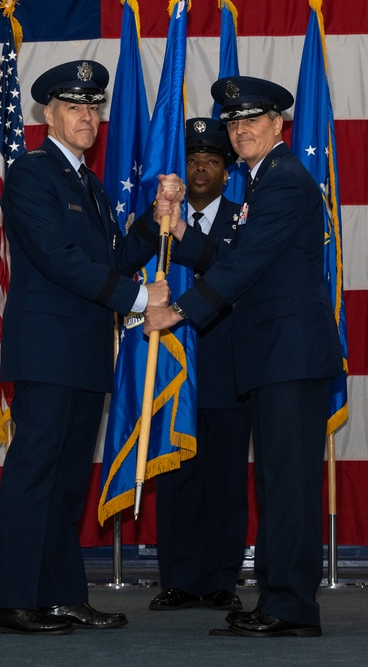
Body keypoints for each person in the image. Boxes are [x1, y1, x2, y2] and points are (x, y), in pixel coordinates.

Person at [0, 60, 174, 635]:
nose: (87, 116)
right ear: (49, 115)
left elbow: (106, 262)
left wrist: (151, 222)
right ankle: (9, 600)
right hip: (47, 352)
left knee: (65, 484)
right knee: (35, 475)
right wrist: (141, 299)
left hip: (85, 354)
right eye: (74, 107)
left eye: (94, 107)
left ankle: (59, 594)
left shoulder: (87, 184)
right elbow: (59, 261)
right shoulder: (31, 174)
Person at [145, 76, 342, 638]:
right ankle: (279, 599)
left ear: (279, 125)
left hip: (289, 357)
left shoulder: (282, 181)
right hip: (277, 358)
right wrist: (181, 231)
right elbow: (233, 253)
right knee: (278, 484)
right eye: (233, 123)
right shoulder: (265, 181)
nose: (241, 129)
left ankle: (290, 608)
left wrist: (177, 312)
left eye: (252, 120)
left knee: (288, 486)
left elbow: (244, 265)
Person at [148, 118, 251, 613]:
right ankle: (180, 578)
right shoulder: (158, 219)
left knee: (226, 478)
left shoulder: (244, 219)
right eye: (192, 160)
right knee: (176, 478)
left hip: (227, 368)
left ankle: (220, 578)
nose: (201, 169)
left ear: (227, 172)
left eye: (212, 160)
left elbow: (235, 274)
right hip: (172, 372)